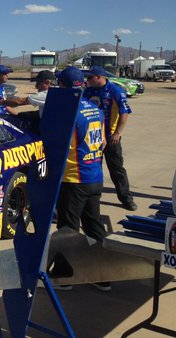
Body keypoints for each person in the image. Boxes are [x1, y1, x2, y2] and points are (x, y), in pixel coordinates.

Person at [54, 66, 110, 292]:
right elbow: (103, 142)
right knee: (93, 226)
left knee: (67, 228)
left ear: (64, 87)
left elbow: (58, 145)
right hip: (95, 176)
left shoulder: (70, 113)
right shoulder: (95, 110)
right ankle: (103, 275)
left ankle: (63, 277)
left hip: (75, 179)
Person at [83, 66, 137, 211]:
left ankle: (126, 198)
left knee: (117, 169)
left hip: (111, 138)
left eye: (90, 77)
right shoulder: (87, 91)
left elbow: (124, 113)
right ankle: (94, 199)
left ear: (99, 76)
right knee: (94, 169)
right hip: (93, 139)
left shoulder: (115, 91)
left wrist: (117, 133)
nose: (87, 80)